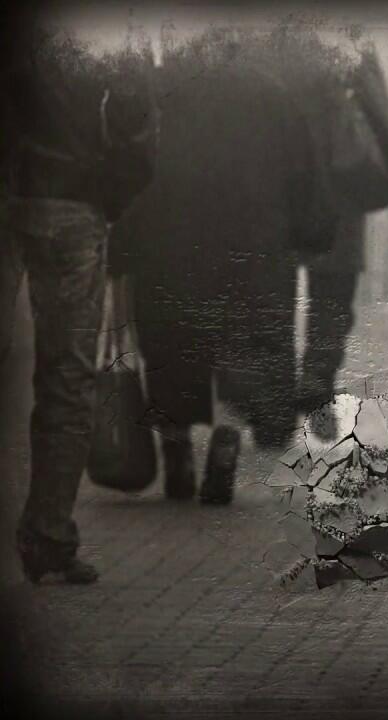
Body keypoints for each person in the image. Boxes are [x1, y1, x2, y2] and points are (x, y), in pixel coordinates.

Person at [109, 28, 319, 505]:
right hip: (252, 250)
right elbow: (304, 176)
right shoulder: (273, 95)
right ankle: (225, 445)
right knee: (240, 351)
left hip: (170, 246)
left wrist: (121, 244)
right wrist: (308, 236)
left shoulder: (162, 90)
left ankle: (177, 452)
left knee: (170, 350)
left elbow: (130, 171)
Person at [1, 11, 158, 583]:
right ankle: (46, 538)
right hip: (72, 211)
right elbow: (139, 132)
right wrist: (102, 198)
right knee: (67, 379)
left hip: (13, 193)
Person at [294, 31, 388, 421]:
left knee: (273, 283)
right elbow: (380, 113)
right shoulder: (346, 40)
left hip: (281, 180)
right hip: (338, 183)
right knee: (332, 286)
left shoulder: (275, 39)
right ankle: (317, 376)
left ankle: (273, 384)